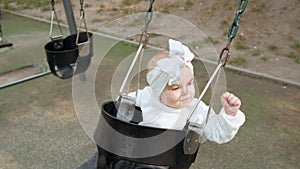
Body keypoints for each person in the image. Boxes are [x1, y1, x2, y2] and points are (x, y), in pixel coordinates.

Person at [115, 39, 245, 168]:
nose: (185, 92)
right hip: (131, 158)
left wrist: (230, 114)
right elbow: (120, 107)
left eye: (189, 83)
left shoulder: (195, 110)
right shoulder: (146, 97)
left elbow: (218, 133)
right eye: (176, 88)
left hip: (167, 165)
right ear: (158, 90)